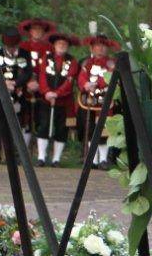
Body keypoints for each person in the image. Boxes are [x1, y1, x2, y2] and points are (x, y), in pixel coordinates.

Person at [0, 28, 33, 163]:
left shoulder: (24, 54)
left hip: (17, 94)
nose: (12, 49)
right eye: (9, 46)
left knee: (16, 127)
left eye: (14, 46)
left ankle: (16, 157)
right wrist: (3, 82)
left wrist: (15, 83)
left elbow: (28, 73)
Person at [36, 32, 78, 167]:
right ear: (54, 45)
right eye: (59, 43)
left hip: (63, 101)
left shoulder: (72, 61)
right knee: (44, 126)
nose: (62, 46)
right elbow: (42, 76)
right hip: (46, 99)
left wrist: (57, 93)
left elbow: (70, 80)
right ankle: (41, 157)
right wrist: (46, 92)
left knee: (61, 129)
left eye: (64, 44)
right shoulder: (46, 58)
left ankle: (56, 159)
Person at [77, 34, 118, 169]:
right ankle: (92, 160)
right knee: (90, 129)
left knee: (104, 130)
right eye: (97, 46)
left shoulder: (111, 63)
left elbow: (110, 77)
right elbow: (81, 77)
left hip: (105, 100)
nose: (100, 49)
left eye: (103, 46)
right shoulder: (87, 63)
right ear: (92, 48)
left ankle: (104, 159)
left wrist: (98, 84)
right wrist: (85, 84)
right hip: (90, 100)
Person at [19, 18, 56, 146]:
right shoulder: (23, 46)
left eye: (40, 30)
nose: (37, 32)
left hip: (43, 89)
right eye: (34, 29)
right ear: (30, 31)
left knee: (42, 119)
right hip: (25, 88)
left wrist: (40, 84)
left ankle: (41, 152)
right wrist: (27, 83)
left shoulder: (50, 48)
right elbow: (19, 68)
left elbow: (52, 70)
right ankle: (23, 149)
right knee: (25, 119)